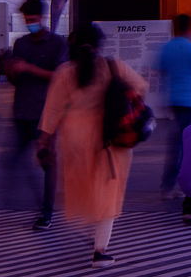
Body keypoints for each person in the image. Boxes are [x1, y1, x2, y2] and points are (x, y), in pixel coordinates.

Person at [39, 24, 149, 267]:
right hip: (108, 138)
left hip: (75, 138)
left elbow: (52, 109)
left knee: (87, 187)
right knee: (108, 191)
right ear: (100, 45)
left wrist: (44, 139)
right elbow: (141, 86)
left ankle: (90, 232)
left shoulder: (65, 72)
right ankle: (100, 249)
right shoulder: (113, 66)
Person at [5, 0, 68, 230]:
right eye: (26, 19)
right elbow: (15, 79)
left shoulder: (57, 44)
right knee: (11, 161)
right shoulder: (20, 44)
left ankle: (47, 212)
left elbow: (62, 78)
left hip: (45, 114)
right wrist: (12, 71)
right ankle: (33, 204)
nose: (29, 22)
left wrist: (30, 68)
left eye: (32, 19)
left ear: (41, 18)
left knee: (47, 161)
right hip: (21, 111)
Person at [157, 13, 191, 197]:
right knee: (190, 145)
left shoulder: (167, 47)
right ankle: (187, 184)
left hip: (174, 101)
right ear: (189, 27)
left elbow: (162, 71)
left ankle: (168, 186)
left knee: (176, 144)